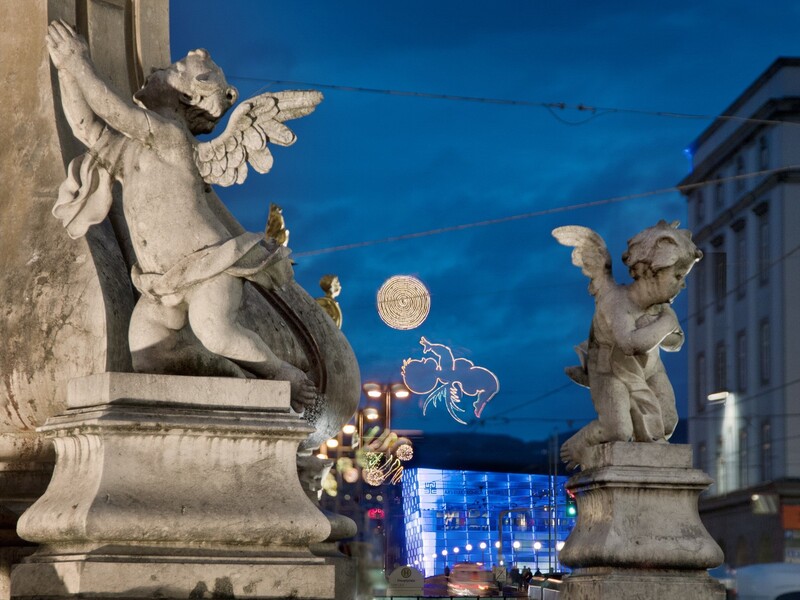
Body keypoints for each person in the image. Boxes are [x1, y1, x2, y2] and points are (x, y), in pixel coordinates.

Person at [45, 20, 320, 411]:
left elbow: (114, 110)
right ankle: (237, 381)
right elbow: (86, 126)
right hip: (161, 283)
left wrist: (80, 62)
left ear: (186, 97)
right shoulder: (132, 149)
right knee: (148, 356)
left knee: (216, 331)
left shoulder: (170, 136)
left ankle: (281, 375)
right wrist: (65, 71)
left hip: (208, 266)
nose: (156, 71)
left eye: (171, 71)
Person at [554, 222, 703, 470]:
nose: (683, 284)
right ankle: (582, 442)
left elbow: (676, 343)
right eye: (678, 276)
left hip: (650, 369)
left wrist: (667, 325)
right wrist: (666, 323)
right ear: (652, 272)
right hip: (609, 370)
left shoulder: (661, 308)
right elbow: (630, 344)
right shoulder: (617, 302)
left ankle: (643, 442)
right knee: (619, 430)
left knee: (666, 423)